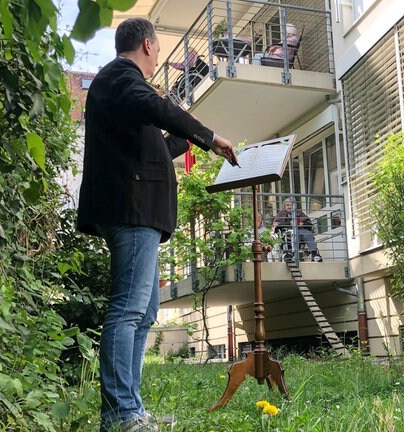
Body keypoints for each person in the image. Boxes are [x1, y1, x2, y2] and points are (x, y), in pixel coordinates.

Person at [76, 18, 238, 432]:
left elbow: (151, 148)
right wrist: (208, 134)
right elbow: (154, 106)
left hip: (138, 212)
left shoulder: (124, 92)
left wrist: (185, 139)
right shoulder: (121, 77)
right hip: (130, 213)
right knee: (128, 310)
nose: (158, 58)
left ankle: (131, 409)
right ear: (147, 45)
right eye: (159, 49)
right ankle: (120, 415)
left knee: (143, 312)